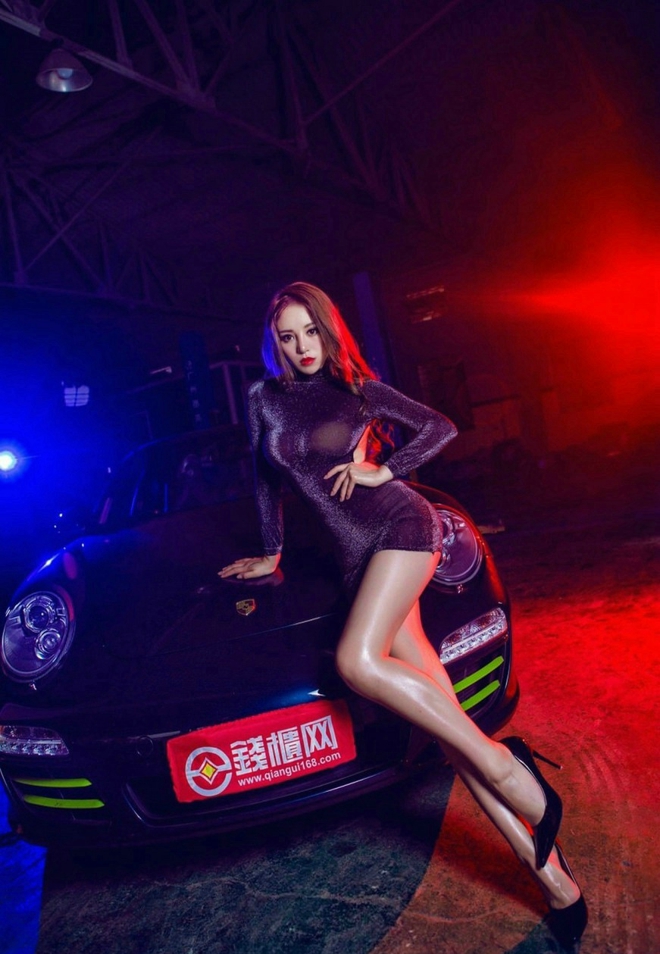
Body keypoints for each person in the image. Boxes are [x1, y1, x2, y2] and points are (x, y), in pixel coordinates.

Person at [219, 281, 587, 949]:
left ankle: (508, 767)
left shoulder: (356, 388)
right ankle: (553, 875)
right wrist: (271, 552)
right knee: (448, 733)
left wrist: (385, 470)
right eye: (288, 337)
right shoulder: (262, 398)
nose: (302, 347)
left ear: (329, 329)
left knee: (356, 661)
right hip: (355, 559)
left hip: (401, 528)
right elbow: (263, 479)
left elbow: (439, 426)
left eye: (311, 331)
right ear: (274, 344)